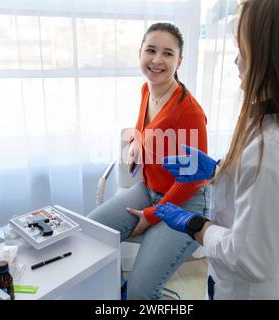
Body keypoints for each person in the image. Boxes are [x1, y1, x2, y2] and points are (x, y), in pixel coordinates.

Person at [155, 0, 279, 299]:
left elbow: (248, 260)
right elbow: (264, 199)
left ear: (275, 58)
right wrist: (218, 170)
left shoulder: (275, 152)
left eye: (242, 49)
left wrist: (196, 225)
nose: (236, 62)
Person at [87, 22, 210, 300]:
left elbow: (194, 179)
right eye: (151, 50)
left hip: (184, 202)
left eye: (167, 54)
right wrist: (136, 142)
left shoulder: (189, 112)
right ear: (140, 53)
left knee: (141, 293)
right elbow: (146, 128)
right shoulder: (147, 89)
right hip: (149, 190)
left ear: (180, 61)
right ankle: (115, 295)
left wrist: (153, 215)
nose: (157, 60)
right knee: (90, 237)